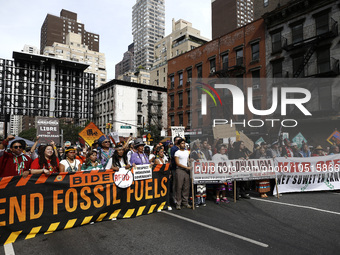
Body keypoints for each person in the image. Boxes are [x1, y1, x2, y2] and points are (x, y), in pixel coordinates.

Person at [174, 138, 192, 210]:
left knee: (186, 187)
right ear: (179, 144)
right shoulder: (177, 152)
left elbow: (187, 160)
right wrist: (186, 167)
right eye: (182, 143)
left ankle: (185, 202)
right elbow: (177, 163)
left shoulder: (187, 152)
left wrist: (191, 161)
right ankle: (178, 203)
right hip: (180, 170)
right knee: (179, 187)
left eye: (184, 143)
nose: (183, 145)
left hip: (186, 171)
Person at [190, 139, 207, 207]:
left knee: (202, 186)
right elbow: (192, 161)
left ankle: (202, 199)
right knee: (197, 186)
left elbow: (205, 160)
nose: (199, 145)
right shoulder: (193, 153)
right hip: (196, 172)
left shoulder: (202, 152)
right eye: (197, 144)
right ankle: (197, 200)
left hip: (202, 171)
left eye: (199, 144)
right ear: (194, 145)